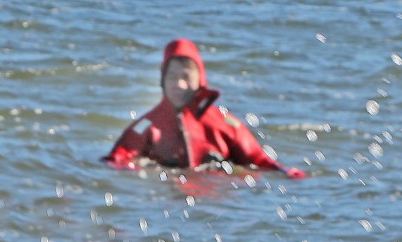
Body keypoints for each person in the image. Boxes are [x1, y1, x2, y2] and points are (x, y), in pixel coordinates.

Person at [104, 38, 306, 178]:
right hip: (168, 200)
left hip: (215, 201)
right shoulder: (146, 126)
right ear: (162, 80)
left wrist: (286, 172)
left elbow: (259, 161)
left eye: (186, 77)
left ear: (199, 80)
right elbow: (117, 159)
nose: (179, 84)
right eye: (172, 77)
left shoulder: (227, 125)